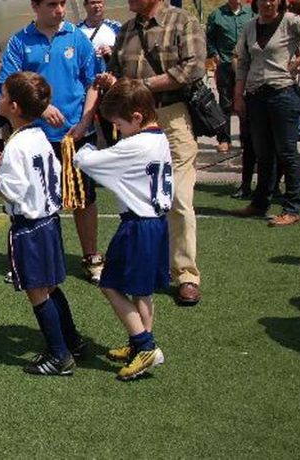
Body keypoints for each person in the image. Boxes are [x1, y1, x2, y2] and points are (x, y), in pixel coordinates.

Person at [99, 0, 205, 306]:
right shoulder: (125, 30)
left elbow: (193, 68)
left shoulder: (183, 21)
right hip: (134, 125)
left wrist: (141, 86)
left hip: (172, 118)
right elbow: (116, 71)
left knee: (178, 198)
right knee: (137, 199)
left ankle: (186, 274)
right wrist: (111, 81)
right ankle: (146, 265)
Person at [2, 0, 103, 284]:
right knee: (34, 200)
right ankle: (33, 258)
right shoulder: (19, 42)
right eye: (52, 5)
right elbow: (9, 85)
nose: (59, 10)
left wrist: (84, 122)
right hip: (35, 139)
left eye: (62, 3)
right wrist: (41, 108)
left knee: (83, 198)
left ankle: (91, 256)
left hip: (74, 136)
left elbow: (93, 83)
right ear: (35, 6)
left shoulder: (77, 38)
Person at [0, 71, 84, 376]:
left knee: (37, 290)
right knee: (51, 285)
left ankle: (59, 355)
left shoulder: (17, 146)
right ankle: (72, 340)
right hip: (49, 220)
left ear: (14, 107)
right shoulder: (39, 135)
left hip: (29, 226)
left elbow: (13, 190)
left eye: (3, 95)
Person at [73, 78, 172, 381]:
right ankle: (139, 341)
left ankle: (145, 345)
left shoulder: (135, 145)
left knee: (110, 284)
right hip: (157, 223)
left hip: (138, 225)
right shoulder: (159, 138)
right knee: (142, 289)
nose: (117, 130)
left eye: (119, 124)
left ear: (137, 118)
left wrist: (81, 145)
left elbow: (89, 161)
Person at [232, 0, 300, 227]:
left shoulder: (290, 21)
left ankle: (292, 208)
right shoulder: (250, 26)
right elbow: (242, 62)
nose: (267, 3)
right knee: (263, 153)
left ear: (280, 0)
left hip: (282, 93)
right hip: (255, 95)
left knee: (287, 152)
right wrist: (238, 94)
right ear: (256, 1)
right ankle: (260, 203)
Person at [206, 0, 253, 156]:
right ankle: (224, 139)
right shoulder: (217, 15)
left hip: (246, 65)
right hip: (225, 63)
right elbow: (209, 38)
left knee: (245, 103)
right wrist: (214, 53)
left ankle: (245, 139)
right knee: (225, 103)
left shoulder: (250, 13)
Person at [77, 0, 122, 146]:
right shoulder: (77, 32)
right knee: (88, 130)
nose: (97, 6)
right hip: (87, 89)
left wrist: (112, 51)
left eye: (100, 2)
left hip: (110, 89)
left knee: (114, 132)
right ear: (85, 5)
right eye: (93, 2)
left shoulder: (116, 28)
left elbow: (127, 55)